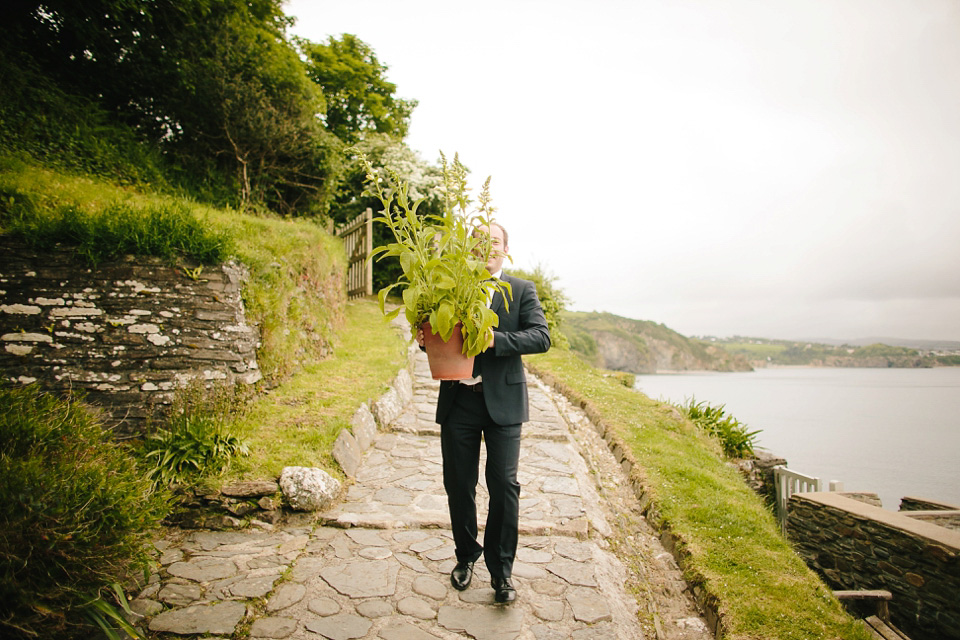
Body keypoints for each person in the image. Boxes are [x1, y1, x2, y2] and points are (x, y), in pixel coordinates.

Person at [418, 222, 550, 604]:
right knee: (459, 484)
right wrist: (426, 340)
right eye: (477, 240)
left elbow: (541, 337)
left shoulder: (522, 290)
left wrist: (495, 339)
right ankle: (466, 555)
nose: (485, 246)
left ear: (505, 249)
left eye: (493, 241)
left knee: (504, 487)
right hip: (458, 400)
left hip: (504, 404)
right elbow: (442, 339)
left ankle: (502, 572)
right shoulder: (450, 287)